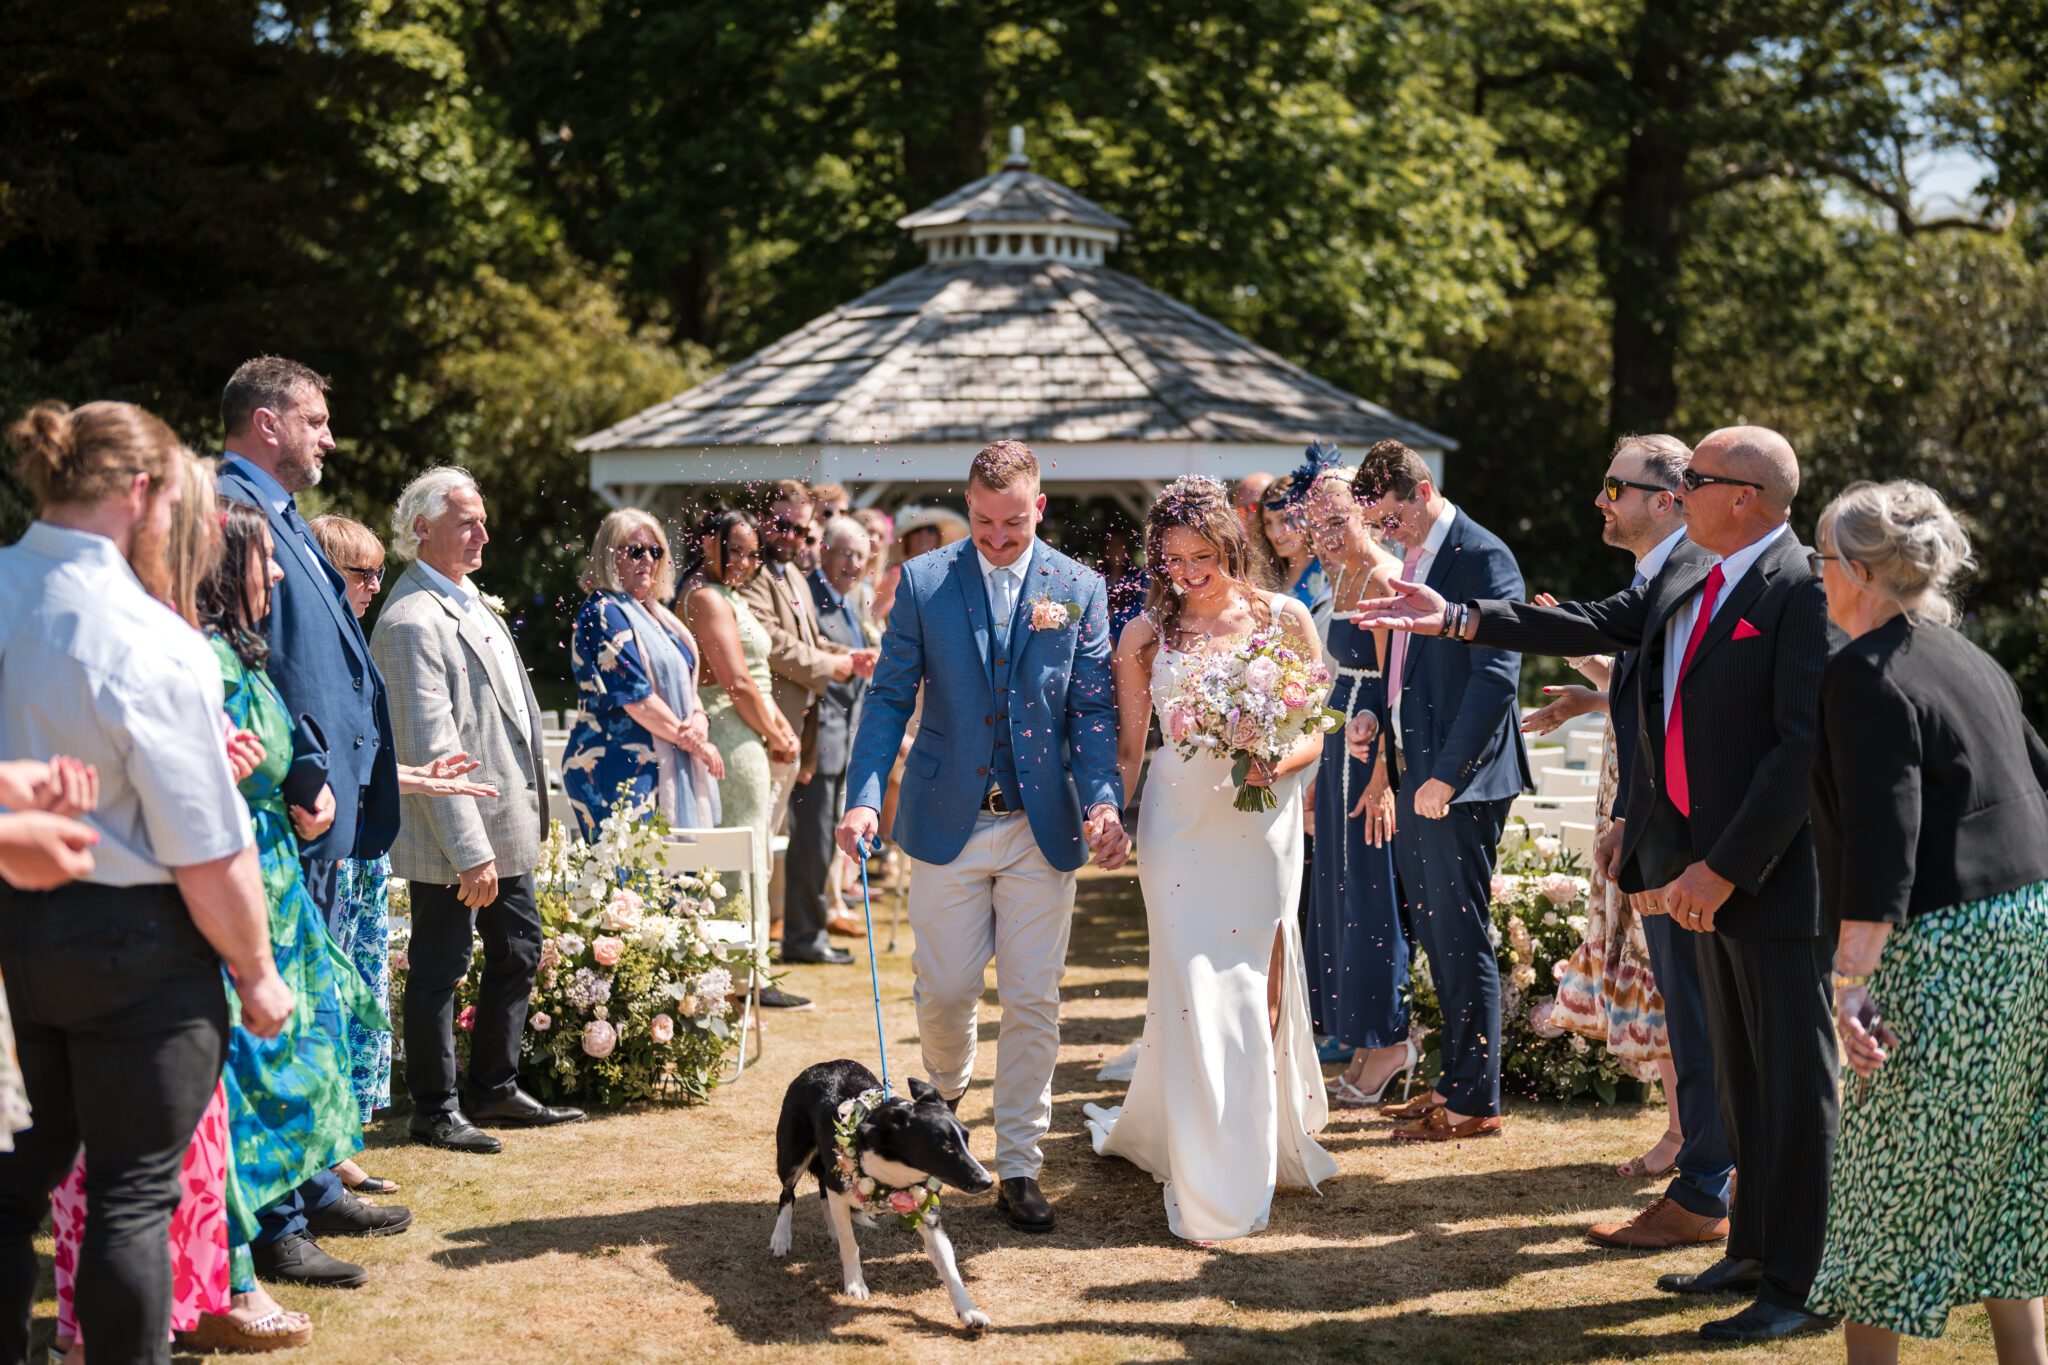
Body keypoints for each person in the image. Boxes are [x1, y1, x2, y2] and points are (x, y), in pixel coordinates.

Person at [1360, 426, 1836, 1342]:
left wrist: (1724, 865)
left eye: (1695, 479)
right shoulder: (1694, 569)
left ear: (1742, 496)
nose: (1679, 493)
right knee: (1740, 1076)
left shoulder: (1800, 586)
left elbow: (1797, 751)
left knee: (1791, 1081)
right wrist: (1457, 617)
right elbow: (1595, 630)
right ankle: (1751, 1251)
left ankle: (1803, 1281)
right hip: (1696, 868)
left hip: (1770, 877)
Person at [0, 401, 292, 1365]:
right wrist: (257, 972)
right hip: (133, 946)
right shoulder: (149, 635)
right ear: (140, 492)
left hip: (11, 938)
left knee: (9, 1193)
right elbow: (205, 848)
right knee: (131, 1196)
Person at [837, 439, 1127, 1234]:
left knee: (1033, 998)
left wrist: (1105, 803)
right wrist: (864, 799)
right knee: (946, 990)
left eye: (1013, 522)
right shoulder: (924, 582)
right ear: (968, 505)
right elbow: (888, 698)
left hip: (1041, 825)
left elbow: (1092, 712)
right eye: (984, 521)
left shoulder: (1078, 587)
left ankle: (1021, 1163)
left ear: (1040, 507)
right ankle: (948, 1084)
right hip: (946, 822)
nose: (998, 537)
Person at [1804, 481, 2048, 1363]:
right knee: (2008, 1172)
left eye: (1822, 560)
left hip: (1948, 948)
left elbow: (1885, 835)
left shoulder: (1862, 674)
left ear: (1861, 572)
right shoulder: (1968, 657)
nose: (1815, 575)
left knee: (1886, 1183)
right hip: (2027, 931)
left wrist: (1851, 983)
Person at [1082, 475, 1337, 1240]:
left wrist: (1275, 762)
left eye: (1203, 557)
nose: (1188, 573)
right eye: (1173, 559)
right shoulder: (1144, 635)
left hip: (1261, 825)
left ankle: (1244, 1150)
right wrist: (1110, 812)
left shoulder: (1284, 618)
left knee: (1252, 988)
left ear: (1232, 545)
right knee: (1193, 985)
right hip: (1178, 824)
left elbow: (1315, 727)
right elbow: (1131, 749)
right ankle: (1204, 1167)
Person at [195, 500, 410, 1320]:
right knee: (258, 1062)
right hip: (239, 878)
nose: (283, 572)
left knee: (306, 1044)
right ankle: (264, 1232)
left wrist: (304, 789)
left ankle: (304, 1197)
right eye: (266, 561)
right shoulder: (206, 662)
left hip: (279, 875)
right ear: (225, 571)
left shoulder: (242, 653)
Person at [1522, 436, 1734, 1253]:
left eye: (1615, 487)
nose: (1600, 500)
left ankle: (1708, 1168)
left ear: (1669, 497)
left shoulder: (1698, 577)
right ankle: (1701, 1159)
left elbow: (1686, 705)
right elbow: (1648, 688)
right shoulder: (1651, 581)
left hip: (1682, 824)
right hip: (1638, 808)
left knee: (1694, 997)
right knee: (1674, 990)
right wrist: (1591, 694)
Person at [371, 467, 584, 1155]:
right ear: (422, 529)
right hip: (454, 833)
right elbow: (431, 745)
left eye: (483, 521)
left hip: (502, 821)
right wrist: (469, 851)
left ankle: (494, 1085)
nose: (484, 535)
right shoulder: (410, 620)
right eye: (467, 522)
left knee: (518, 949)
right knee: (441, 965)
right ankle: (434, 1108)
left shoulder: (465, 600)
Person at [1345, 439, 1531, 1142]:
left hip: (1459, 781)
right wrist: (1375, 720)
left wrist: (1446, 776)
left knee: (1459, 934)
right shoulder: (1417, 558)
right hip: (1416, 769)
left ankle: (1474, 1103)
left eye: (1390, 519)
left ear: (1422, 492)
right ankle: (1455, 1081)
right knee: (1435, 934)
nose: (1385, 534)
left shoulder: (1483, 556)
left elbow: (1495, 679)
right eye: (1377, 525)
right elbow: (1406, 669)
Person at [306, 513, 499, 1191]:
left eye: (377, 572)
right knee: (329, 1004)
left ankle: (336, 1146)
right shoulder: (320, 652)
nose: (373, 586)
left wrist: (418, 776)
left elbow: (359, 762)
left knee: (357, 1001)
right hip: (331, 857)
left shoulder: (347, 641)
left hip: (363, 856)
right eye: (361, 573)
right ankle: (324, 1156)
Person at [1297, 469, 1412, 1107]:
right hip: (1337, 744)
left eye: (1337, 520)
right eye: (1316, 523)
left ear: (1366, 513)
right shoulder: (1338, 578)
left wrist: (1383, 776)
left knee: (1371, 895)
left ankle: (1391, 1042)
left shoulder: (1386, 578)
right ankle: (1363, 1042)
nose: (1326, 534)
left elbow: (1395, 689)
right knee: (1339, 892)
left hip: (1371, 757)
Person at [742, 481, 875, 949]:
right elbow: (774, 642)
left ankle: (791, 942)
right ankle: (776, 946)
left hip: (801, 732)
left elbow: (811, 640)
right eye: (783, 525)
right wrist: (832, 665)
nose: (793, 537)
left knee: (793, 845)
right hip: (766, 728)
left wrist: (851, 656)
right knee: (763, 847)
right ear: (763, 519)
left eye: (801, 530)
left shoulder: (794, 575)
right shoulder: (751, 575)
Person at [680, 510, 805, 1003]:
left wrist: (779, 730)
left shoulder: (731, 594)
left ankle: (752, 971)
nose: (747, 563)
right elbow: (736, 682)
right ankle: (737, 978)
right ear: (708, 543)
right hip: (732, 734)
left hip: (752, 728)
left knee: (757, 856)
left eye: (755, 555)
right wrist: (775, 733)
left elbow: (755, 679)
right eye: (736, 551)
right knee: (741, 856)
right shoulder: (706, 598)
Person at [562, 508, 724, 838]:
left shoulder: (658, 615)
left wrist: (699, 719)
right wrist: (695, 744)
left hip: (665, 762)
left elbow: (688, 683)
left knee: (679, 869)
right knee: (630, 871)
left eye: (656, 551)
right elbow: (636, 697)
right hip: (618, 769)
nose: (648, 560)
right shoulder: (602, 613)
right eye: (636, 551)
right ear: (609, 555)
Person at [783, 517, 871, 965]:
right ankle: (803, 937)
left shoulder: (849, 603)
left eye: (860, 555)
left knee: (823, 847)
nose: (852, 563)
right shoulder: (811, 599)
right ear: (825, 553)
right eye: (845, 553)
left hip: (843, 743)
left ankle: (812, 930)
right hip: (817, 743)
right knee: (811, 845)